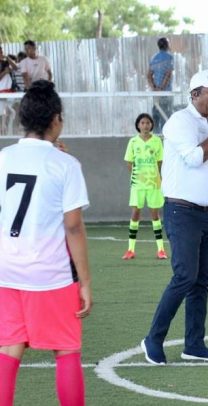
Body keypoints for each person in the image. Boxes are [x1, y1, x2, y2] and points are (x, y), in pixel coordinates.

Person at [0, 80, 92, 405]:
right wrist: (84, 281)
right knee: (66, 349)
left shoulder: (3, 158)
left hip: (7, 271)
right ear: (55, 119)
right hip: (49, 274)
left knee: (9, 348)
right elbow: (73, 228)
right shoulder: (66, 165)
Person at [141, 70, 208, 365]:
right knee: (184, 276)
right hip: (182, 211)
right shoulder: (181, 121)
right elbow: (194, 159)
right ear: (195, 94)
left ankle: (194, 344)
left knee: (201, 282)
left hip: (206, 213)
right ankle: (153, 338)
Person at [122, 113, 167, 260]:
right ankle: (130, 249)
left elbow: (160, 161)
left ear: (151, 125)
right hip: (138, 184)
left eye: (148, 123)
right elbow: (129, 162)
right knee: (135, 213)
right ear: (138, 125)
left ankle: (161, 249)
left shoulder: (157, 141)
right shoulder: (133, 142)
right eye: (142, 123)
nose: (145, 125)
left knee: (155, 214)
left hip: (154, 183)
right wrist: (137, 175)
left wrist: (156, 175)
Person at [147, 37, 174, 134]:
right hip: (166, 92)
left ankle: (155, 135)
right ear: (167, 45)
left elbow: (149, 75)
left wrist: (154, 88)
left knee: (156, 113)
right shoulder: (169, 57)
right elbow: (168, 74)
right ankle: (165, 136)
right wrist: (161, 88)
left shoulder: (153, 58)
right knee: (166, 114)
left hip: (156, 93)